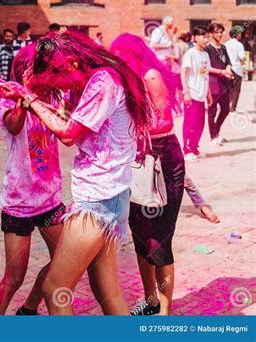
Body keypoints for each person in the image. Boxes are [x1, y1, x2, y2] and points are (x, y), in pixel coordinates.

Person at [0, 31, 151, 315]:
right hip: (98, 198)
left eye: (52, 76)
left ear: (70, 63)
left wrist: (28, 95)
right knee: (107, 294)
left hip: (98, 202)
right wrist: (27, 97)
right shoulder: (101, 79)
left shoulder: (103, 81)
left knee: (54, 287)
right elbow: (47, 122)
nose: (55, 86)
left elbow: (69, 134)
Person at [111, 33, 185, 316]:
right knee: (141, 237)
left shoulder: (150, 76)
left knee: (160, 240)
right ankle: (150, 300)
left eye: (121, 54)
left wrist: (127, 128)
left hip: (164, 163)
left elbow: (164, 120)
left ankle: (164, 313)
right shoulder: (125, 79)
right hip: (139, 163)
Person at [0, 45, 65, 316]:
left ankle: (29, 309)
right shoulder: (8, 100)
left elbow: (68, 125)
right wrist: (24, 97)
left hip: (50, 198)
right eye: (38, 67)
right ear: (23, 71)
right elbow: (14, 125)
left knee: (63, 261)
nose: (46, 73)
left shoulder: (55, 97)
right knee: (14, 278)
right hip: (19, 202)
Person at [180, 26, 212, 162]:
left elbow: (206, 74)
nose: (206, 39)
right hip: (192, 93)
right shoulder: (190, 53)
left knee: (200, 124)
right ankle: (186, 150)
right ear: (195, 38)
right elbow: (183, 72)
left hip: (201, 94)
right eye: (203, 36)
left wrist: (208, 93)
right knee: (190, 123)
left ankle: (194, 148)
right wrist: (186, 91)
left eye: (207, 36)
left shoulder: (205, 55)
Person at [205, 23, 233, 146]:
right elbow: (206, 67)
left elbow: (228, 62)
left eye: (221, 32)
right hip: (213, 84)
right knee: (212, 111)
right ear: (211, 34)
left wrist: (228, 70)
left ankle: (216, 131)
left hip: (224, 83)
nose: (219, 34)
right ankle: (212, 136)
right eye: (216, 32)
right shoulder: (207, 49)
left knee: (226, 109)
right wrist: (221, 72)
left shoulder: (223, 48)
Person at [225, 26, 246, 113]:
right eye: (240, 33)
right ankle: (233, 108)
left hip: (228, 68)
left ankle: (226, 106)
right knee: (236, 89)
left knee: (228, 88)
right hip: (237, 68)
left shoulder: (225, 44)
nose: (241, 35)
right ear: (236, 34)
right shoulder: (239, 44)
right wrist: (243, 62)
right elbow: (242, 58)